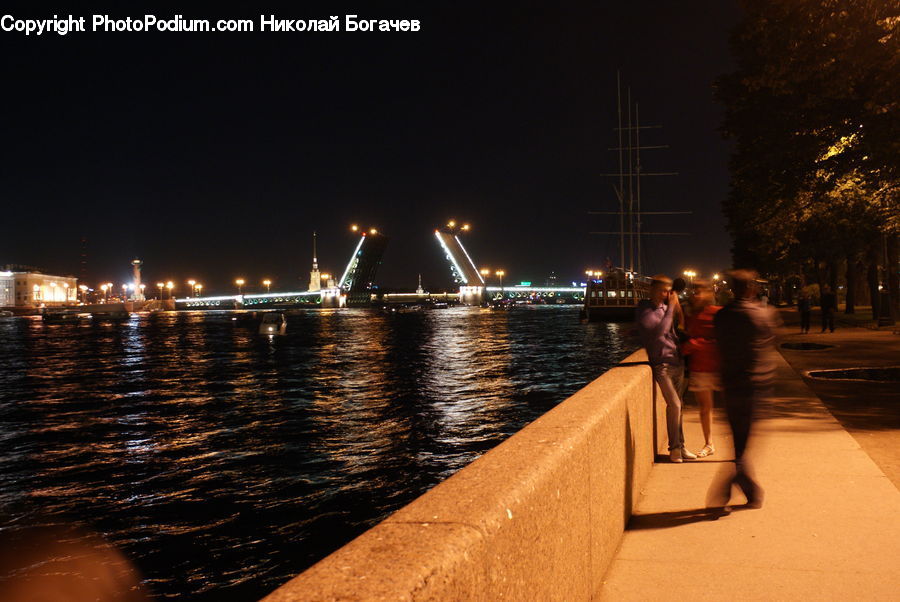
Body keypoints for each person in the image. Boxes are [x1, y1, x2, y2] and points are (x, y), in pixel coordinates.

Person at [711, 269, 777, 509]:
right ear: (751, 288)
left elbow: (718, 346)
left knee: (739, 439)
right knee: (745, 440)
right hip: (755, 385)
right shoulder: (761, 314)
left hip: (730, 384)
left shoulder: (722, 316)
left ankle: (744, 487)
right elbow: (770, 343)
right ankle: (740, 484)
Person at [636, 274, 697, 463]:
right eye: (662, 290)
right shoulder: (644, 309)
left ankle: (682, 445)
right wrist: (671, 307)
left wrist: (675, 306)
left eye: (668, 290)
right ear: (651, 289)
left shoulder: (666, 307)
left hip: (676, 361)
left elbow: (678, 326)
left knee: (679, 407)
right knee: (675, 405)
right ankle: (675, 449)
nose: (665, 294)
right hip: (661, 364)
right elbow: (659, 332)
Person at [682, 280, 721, 458]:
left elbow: (725, 337)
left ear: (708, 294)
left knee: (731, 407)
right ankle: (709, 443)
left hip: (719, 366)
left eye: (699, 291)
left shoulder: (717, 313)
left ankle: (739, 444)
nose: (695, 295)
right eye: (694, 291)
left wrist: (696, 344)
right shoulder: (690, 315)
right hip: (700, 368)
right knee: (705, 408)